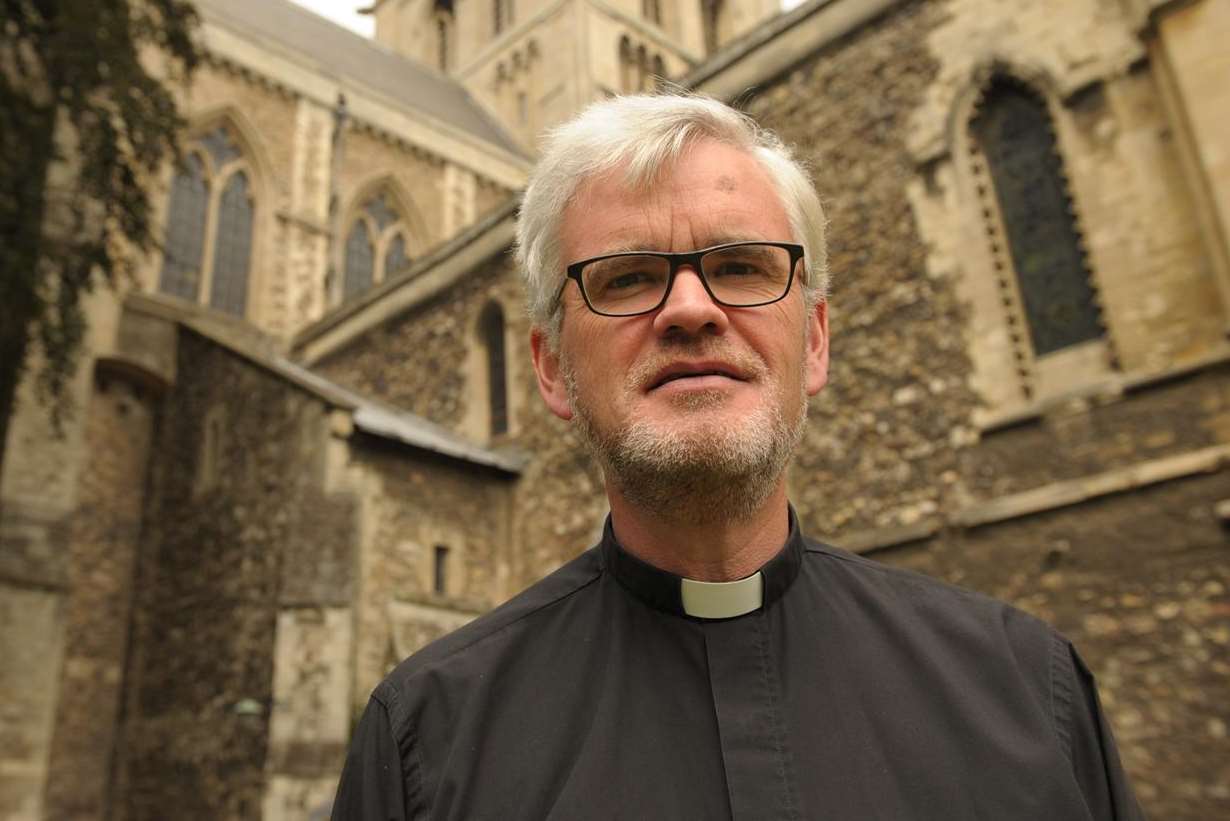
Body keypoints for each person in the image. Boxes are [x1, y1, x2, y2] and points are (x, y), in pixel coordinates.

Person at [330, 93, 1143, 820]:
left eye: (741, 267)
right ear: (551, 367)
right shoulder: (423, 745)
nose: (691, 308)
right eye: (627, 277)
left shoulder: (1029, 689)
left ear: (815, 340)